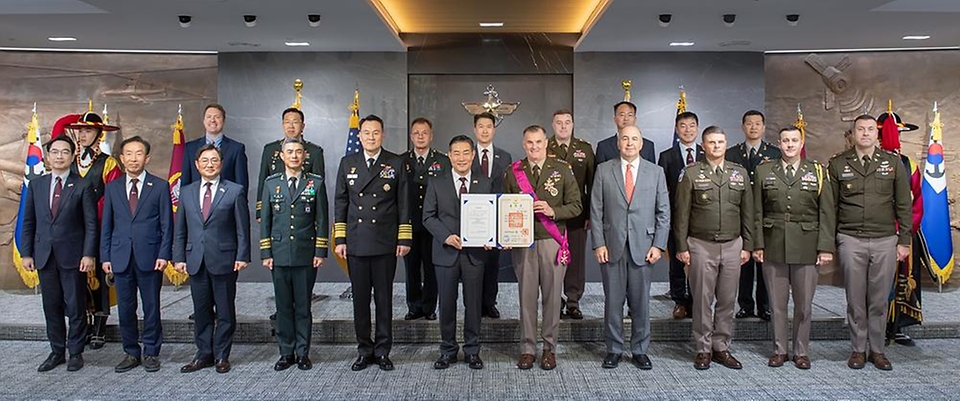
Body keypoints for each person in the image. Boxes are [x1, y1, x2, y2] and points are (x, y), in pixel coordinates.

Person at [827, 115, 912, 370]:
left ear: (877, 134)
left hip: (885, 239)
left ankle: (877, 350)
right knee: (855, 298)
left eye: (870, 130)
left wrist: (904, 240)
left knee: (878, 299)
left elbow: (904, 205)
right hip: (850, 238)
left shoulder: (893, 163)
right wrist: (829, 243)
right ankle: (857, 350)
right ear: (852, 134)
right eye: (860, 129)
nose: (865, 134)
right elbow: (830, 208)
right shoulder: (838, 164)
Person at [752, 126, 836, 369]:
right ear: (779, 143)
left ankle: (801, 351)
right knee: (776, 304)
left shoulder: (818, 172)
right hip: (773, 244)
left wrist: (825, 247)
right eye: (785, 140)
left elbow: (827, 212)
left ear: (802, 143)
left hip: (807, 246)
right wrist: (758, 244)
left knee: (804, 304)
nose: (789, 145)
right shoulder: (764, 170)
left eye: (794, 140)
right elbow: (757, 211)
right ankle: (780, 349)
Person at [334, 114, 411, 372]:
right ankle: (364, 350)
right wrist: (340, 238)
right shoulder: (348, 163)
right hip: (356, 241)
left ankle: (382, 351)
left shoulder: (395, 162)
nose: (371, 137)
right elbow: (341, 202)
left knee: (384, 299)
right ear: (359, 136)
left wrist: (404, 237)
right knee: (360, 302)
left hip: (385, 242)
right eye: (366, 133)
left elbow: (403, 203)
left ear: (383, 134)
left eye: (376, 132)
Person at [674, 126, 754, 370]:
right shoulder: (690, 174)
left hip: (732, 245)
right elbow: (681, 214)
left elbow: (748, 213)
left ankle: (721, 346)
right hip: (701, 245)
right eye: (711, 142)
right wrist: (681, 247)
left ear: (726, 143)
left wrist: (747, 246)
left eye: (720, 142)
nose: (716, 146)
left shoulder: (739, 174)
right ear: (703, 145)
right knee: (701, 300)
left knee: (727, 300)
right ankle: (703, 348)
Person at [590, 126, 670, 370]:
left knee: (641, 303)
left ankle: (639, 350)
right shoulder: (604, 170)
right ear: (618, 142)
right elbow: (596, 210)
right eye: (625, 138)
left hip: (644, 248)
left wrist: (659, 245)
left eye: (634, 139)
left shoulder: (656, 172)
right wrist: (598, 243)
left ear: (641, 143)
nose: (629, 143)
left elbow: (663, 212)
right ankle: (614, 349)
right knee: (613, 303)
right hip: (612, 246)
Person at [503, 125, 581, 371]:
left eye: (538, 142)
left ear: (546, 143)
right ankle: (527, 349)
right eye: (529, 143)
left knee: (551, 299)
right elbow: (505, 206)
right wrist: (504, 233)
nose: (534, 147)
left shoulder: (562, 169)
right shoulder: (513, 172)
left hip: (552, 242)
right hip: (523, 243)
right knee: (526, 299)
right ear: (524, 144)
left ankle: (549, 348)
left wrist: (553, 211)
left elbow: (576, 205)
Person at [21, 136, 98, 372]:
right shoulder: (37, 184)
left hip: (73, 255)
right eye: (55, 152)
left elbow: (91, 224)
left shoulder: (83, 184)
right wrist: (26, 253)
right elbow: (29, 221)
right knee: (51, 306)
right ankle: (56, 351)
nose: (59, 156)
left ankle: (75, 352)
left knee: (75, 305)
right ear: (47, 156)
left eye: (65, 152)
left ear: (73, 155)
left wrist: (88, 254)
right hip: (44, 255)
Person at [174, 144, 251, 374]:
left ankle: (221, 355)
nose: (209, 164)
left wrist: (242, 255)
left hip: (225, 260)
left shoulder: (234, 190)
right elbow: (180, 229)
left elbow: (242, 228)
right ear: (197, 165)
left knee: (225, 311)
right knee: (201, 311)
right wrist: (178, 257)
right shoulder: (186, 191)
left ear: (221, 163)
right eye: (205, 160)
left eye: (214, 160)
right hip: (195, 260)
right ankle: (203, 354)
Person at [100, 136, 173, 373]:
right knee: (125, 308)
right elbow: (107, 225)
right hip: (120, 257)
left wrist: (164, 254)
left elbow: (166, 225)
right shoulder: (112, 188)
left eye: (138, 153)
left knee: (151, 307)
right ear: (121, 158)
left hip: (150, 257)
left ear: (147, 157)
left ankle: (151, 351)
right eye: (128, 154)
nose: (133, 158)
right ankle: (131, 352)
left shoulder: (160, 186)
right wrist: (106, 256)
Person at [422, 135, 491, 370]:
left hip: (475, 254)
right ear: (449, 156)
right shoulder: (436, 182)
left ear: (473, 155)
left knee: (473, 304)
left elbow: (492, 216)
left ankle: (472, 350)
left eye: (466, 153)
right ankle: (448, 350)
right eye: (456, 153)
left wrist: (491, 236)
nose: (461, 158)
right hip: (445, 252)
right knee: (447, 304)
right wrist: (446, 237)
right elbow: (428, 217)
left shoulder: (485, 183)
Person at [260, 138, 328, 371]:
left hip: (305, 254)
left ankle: (302, 352)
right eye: (290, 152)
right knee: (283, 306)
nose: (295, 156)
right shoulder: (271, 184)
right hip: (278, 254)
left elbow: (321, 219)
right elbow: (266, 221)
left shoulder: (315, 183)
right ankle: (285, 352)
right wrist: (266, 252)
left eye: (299, 152)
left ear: (304, 156)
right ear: (282, 156)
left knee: (303, 306)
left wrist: (320, 250)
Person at [62, 112, 122, 349]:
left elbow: (113, 199)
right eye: (80, 131)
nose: (83, 135)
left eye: (88, 131)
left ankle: (99, 327)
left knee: (98, 277)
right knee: (75, 277)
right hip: (72, 230)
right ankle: (80, 325)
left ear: (98, 134)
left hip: (97, 228)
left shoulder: (108, 163)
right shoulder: (69, 161)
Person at [725, 110, 780, 321]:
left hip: (766, 213)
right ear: (743, 127)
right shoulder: (732, 154)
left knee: (765, 262)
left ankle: (765, 306)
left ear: (764, 127)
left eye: (758, 124)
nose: (754, 127)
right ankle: (745, 305)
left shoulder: (774, 154)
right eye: (749, 124)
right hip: (739, 214)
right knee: (743, 262)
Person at [547, 109, 595, 320]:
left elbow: (593, 184)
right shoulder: (544, 146)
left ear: (573, 124)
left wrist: (591, 215)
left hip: (578, 214)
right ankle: (555, 301)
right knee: (552, 260)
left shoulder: (584, 148)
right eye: (559, 122)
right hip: (550, 216)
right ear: (553, 125)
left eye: (567, 122)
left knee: (575, 260)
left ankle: (573, 301)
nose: (563, 126)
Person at [657, 111, 704, 319]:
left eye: (692, 125)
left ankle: (696, 301)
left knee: (699, 262)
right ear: (677, 129)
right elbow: (662, 189)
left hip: (702, 219)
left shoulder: (707, 153)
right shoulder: (666, 156)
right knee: (677, 261)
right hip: (675, 219)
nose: (687, 130)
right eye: (683, 126)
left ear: (697, 128)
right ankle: (679, 301)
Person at [401, 117, 448, 321]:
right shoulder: (401, 160)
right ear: (411, 136)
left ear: (431, 136)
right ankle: (413, 306)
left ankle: (429, 307)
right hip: (410, 223)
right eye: (416, 133)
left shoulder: (442, 161)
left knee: (431, 267)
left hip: (433, 224)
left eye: (424, 133)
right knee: (411, 268)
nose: (421, 136)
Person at [470, 112, 512, 319]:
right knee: (474, 264)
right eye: (481, 126)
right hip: (472, 219)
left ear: (494, 129)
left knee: (493, 264)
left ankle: (490, 302)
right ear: (474, 130)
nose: (485, 130)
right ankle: (475, 304)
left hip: (495, 217)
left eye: (489, 126)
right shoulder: (466, 154)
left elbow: (508, 188)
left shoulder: (504, 157)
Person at [256, 107, 324, 220]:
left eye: (295, 122)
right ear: (283, 125)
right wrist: (260, 211)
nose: (291, 126)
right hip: (276, 207)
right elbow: (263, 180)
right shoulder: (270, 149)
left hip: (303, 210)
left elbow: (318, 185)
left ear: (302, 126)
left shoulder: (315, 152)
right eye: (287, 122)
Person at [182, 103, 249, 192]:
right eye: (209, 117)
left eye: (217, 117)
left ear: (223, 121)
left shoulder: (236, 149)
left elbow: (241, 185)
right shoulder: (190, 148)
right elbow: (185, 184)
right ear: (204, 121)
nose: (212, 120)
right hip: (196, 204)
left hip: (226, 204)